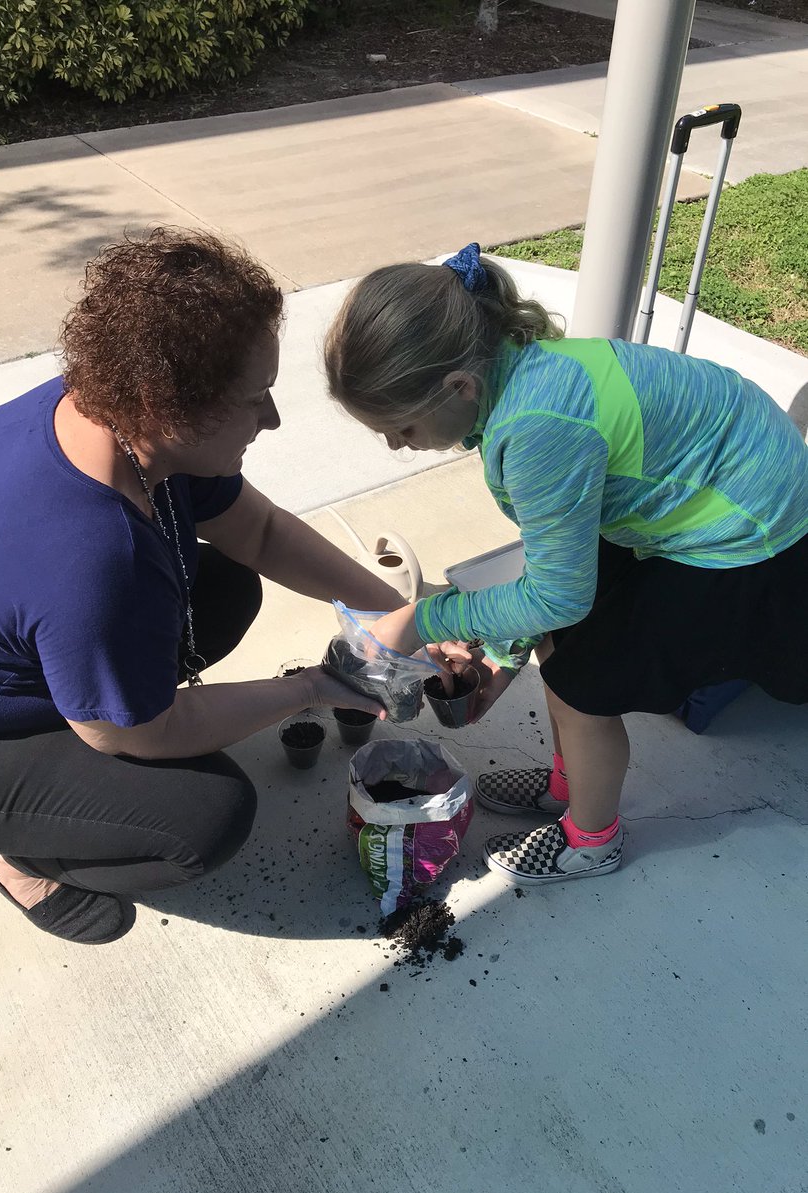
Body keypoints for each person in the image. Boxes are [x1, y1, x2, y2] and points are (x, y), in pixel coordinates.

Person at [0, 227, 464, 946]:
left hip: (22, 649)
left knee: (228, 586)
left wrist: (404, 614)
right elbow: (135, 733)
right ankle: (18, 849)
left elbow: (259, 532)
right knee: (204, 820)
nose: (272, 418)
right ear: (163, 403)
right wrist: (312, 688)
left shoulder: (101, 409)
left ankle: (80, 707)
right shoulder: (91, 554)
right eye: (254, 398)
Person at [324, 242, 808, 887]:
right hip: (700, 489)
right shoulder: (523, 371)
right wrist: (502, 652)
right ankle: (569, 781)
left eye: (403, 429)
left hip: (748, 530)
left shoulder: (536, 431)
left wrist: (422, 617)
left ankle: (591, 840)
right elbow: (556, 571)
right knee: (562, 644)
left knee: (583, 688)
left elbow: (560, 594)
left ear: (459, 386)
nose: (396, 445)